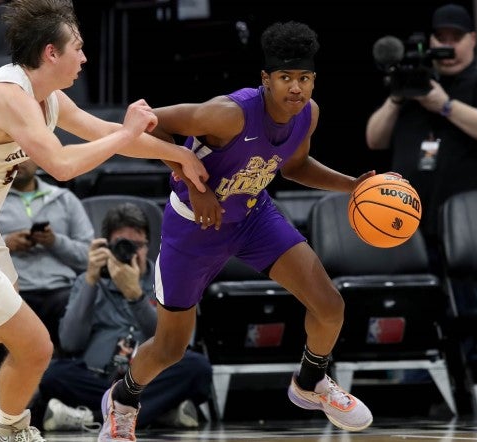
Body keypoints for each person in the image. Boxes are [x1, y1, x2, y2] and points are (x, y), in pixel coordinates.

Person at [0, 0, 209, 441]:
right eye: (77, 48)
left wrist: (175, 155)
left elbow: (104, 135)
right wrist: (129, 131)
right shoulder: (8, 98)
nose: (84, 57)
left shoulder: (47, 98)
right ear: (50, 53)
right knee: (35, 346)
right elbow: (61, 165)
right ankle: (7, 429)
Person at [97, 21, 377, 442]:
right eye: (285, 78)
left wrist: (352, 185)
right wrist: (197, 184)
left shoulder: (308, 115)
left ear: (314, 80)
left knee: (330, 304)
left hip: (251, 216)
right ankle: (124, 397)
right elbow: (150, 122)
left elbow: (294, 165)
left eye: (304, 79)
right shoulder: (228, 114)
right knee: (172, 348)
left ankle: (311, 381)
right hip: (193, 227)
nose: (296, 88)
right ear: (266, 80)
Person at [365, 3, 477, 384]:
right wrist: (399, 96)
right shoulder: (415, 85)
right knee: (419, 317)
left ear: (472, 41)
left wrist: (443, 105)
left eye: (455, 39)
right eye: (440, 38)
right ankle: (419, 394)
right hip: (414, 227)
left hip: (473, 236)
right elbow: (374, 138)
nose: (447, 46)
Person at [37, 202, 212, 432]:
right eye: (121, 244)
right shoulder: (88, 281)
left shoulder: (167, 281)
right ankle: (156, 413)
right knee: (53, 375)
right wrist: (91, 280)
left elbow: (178, 343)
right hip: (97, 378)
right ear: (106, 246)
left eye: (136, 245)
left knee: (197, 368)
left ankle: (91, 415)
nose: (130, 251)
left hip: (149, 379)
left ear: (148, 246)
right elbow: (70, 341)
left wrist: (136, 296)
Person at [0, 158, 94, 351]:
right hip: (13, 289)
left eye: (25, 154)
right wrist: (5, 243)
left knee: (76, 308)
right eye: (13, 154)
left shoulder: (65, 199)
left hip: (60, 290)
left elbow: (89, 257)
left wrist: (54, 242)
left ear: (38, 159)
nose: (19, 160)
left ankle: (70, 375)